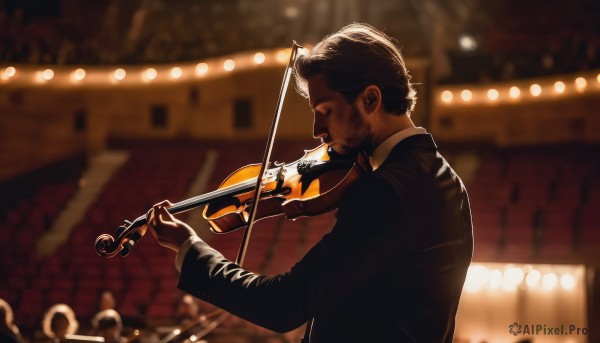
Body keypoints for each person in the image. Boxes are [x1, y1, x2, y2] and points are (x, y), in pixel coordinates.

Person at [145, 23, 473, 342]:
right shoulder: (443, 178)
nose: (317, 131)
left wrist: (189, 248)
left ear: (370, 100)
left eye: (326, 110)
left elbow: (282, 304)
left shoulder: (387, 190)